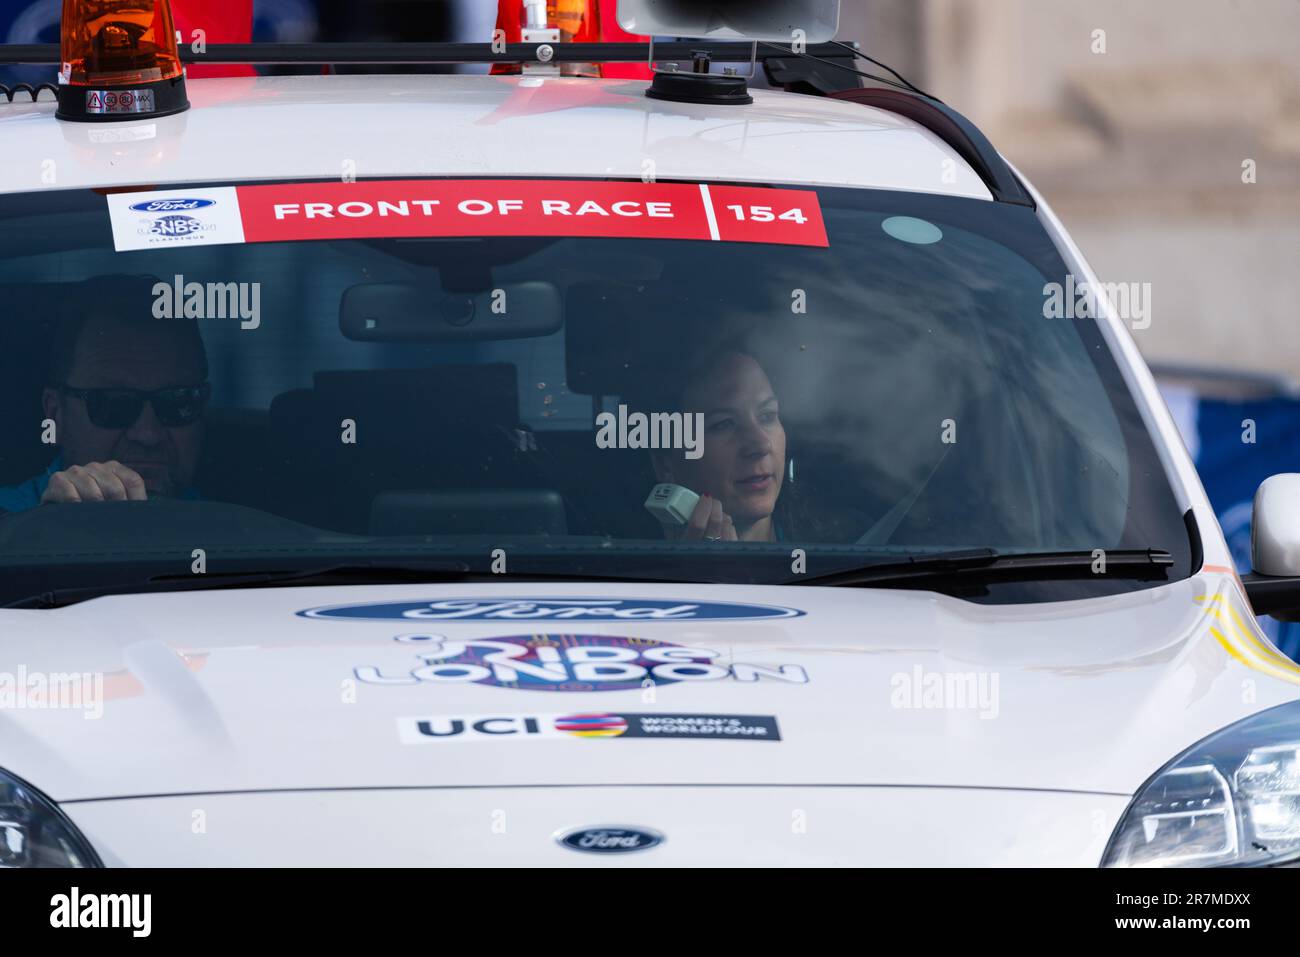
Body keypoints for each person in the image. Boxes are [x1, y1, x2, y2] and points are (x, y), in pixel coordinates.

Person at [0, 276, 208, 512]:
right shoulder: (7, 526)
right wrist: (45, 530)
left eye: (178, 401)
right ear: (55, 414)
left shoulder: (236, 530)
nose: (148, 434)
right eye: (114, 404)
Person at [638, 349, 788, 543]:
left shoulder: (832, 542)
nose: (760, 445)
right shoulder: (623, 565)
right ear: (665, 465)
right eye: (723, 424)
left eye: (767, 415)